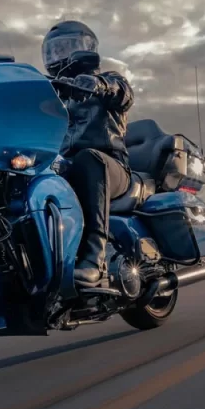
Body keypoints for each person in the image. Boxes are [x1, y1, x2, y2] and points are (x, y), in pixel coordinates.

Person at [42, 20, 134, 285]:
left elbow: (123, 93)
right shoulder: (52, 95)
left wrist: (100, 85)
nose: (61, 56)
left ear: (87, 48)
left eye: (69, 47)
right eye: (55, 51)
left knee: (88, 159)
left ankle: (95, 258)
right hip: (67, 168)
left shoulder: (110, 80)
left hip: (111, 167)